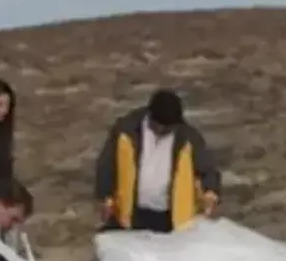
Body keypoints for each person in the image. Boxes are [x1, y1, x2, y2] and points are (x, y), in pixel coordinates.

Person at [94, 89, 222, 232]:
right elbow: (107, 165)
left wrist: (210, 193)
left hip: (169, 218)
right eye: (159, 126)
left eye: (168, 128)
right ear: (150, 116)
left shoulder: (189, 138)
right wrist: (105, 197)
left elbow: (208, 169)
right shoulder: (125, 131)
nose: (163, 130)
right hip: (129, 213)